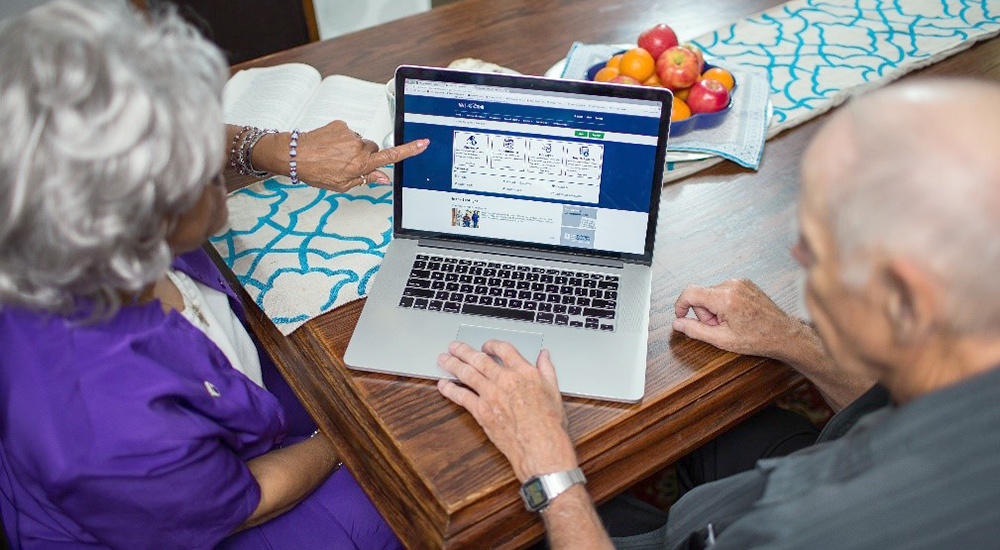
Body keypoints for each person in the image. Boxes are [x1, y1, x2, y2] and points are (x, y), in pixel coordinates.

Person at [436, 78, 1000, 549]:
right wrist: (792, 340)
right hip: (798, 472)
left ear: (906, 296)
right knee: (714, 415)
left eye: (819, 246)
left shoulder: (822, 532)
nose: (798, 256)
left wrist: (548, 465)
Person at [0, 1, 427, 548]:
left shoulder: (75, 222)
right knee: (408, 488)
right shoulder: (104, 427)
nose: (216, 158)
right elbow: (242, 500)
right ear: (133, 215)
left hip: (213, 428)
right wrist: (341, 436)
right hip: (215, 509)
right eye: (201, 169)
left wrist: (279, 151)